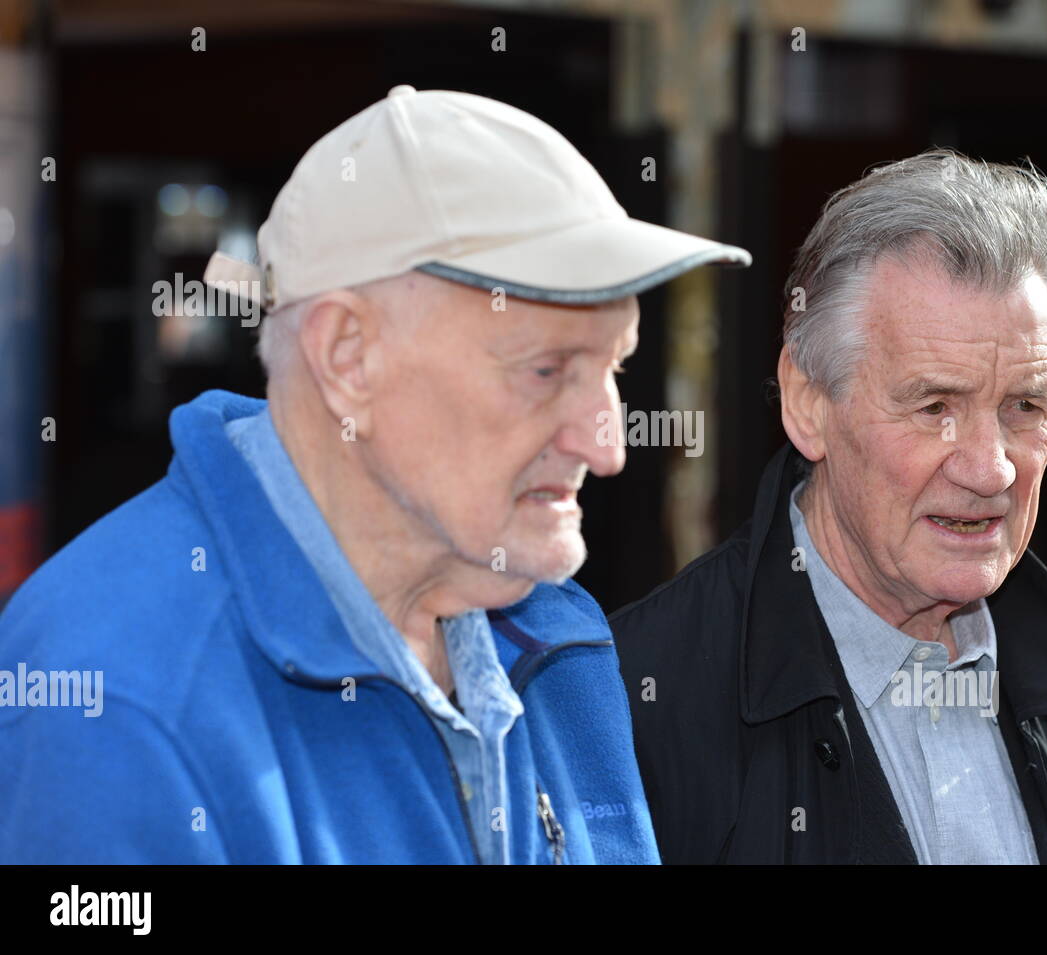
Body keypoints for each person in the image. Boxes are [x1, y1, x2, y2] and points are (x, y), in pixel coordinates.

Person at [0, 86, 749, 863]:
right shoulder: (115, 700)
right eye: (546, 369)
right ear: (347, 356)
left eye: (614, 367)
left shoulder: (559, 637)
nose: (607, 445)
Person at [610, 149, 1047, 864]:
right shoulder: (635, 700)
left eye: (1025, 406)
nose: (990, 467)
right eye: (934, 406)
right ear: (808, 403)